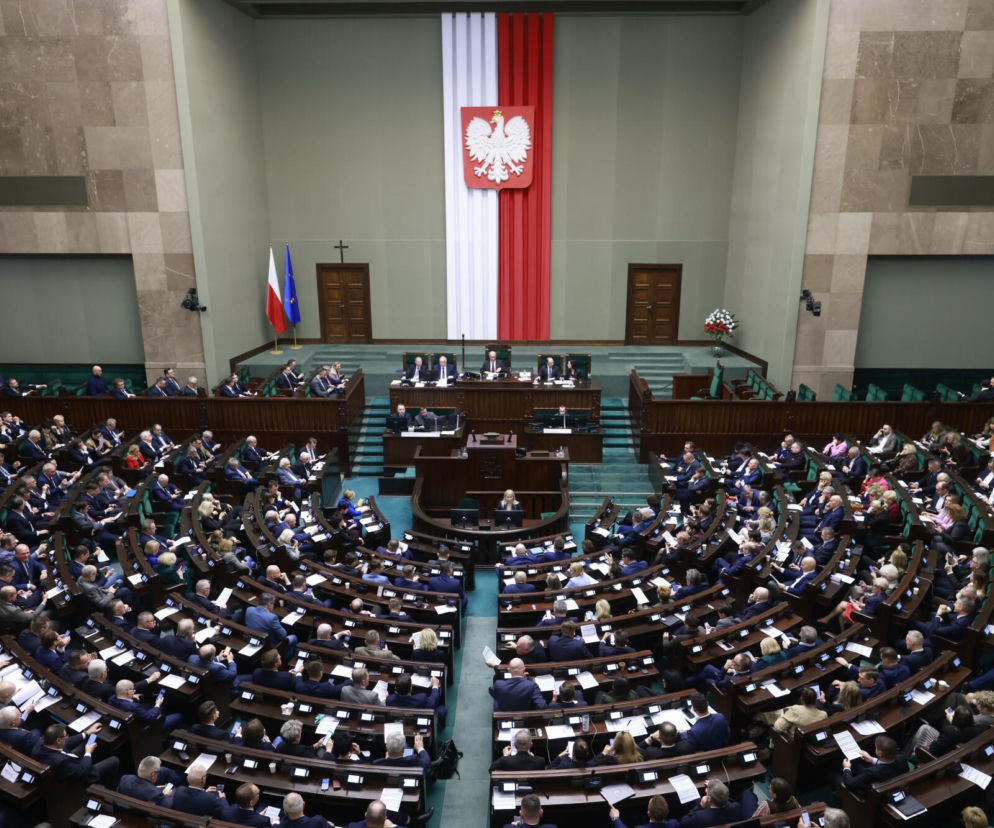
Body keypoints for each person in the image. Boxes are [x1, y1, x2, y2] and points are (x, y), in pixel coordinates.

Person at [32, 722, 119, 785]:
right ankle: (108, 787)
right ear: (58, 740)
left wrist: (87, 733)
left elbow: (67, 742)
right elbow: (83, 772)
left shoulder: (42, 741)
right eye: (66, 736)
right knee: (114, 760)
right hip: (83, 775)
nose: (67, 737)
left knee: (90, 740)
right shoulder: (61, 762)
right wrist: (88, 753)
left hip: (68, 758)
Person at [840, 735, 906, 796]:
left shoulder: (872, 772)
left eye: (876, 748)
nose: (875, 748)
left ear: (880, 753)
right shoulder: (901, 758)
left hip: (868, 794)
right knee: (857, 764)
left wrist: (846, 768)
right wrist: (872, 759)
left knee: (835, 775)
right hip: (889, 783)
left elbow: (850, 784)